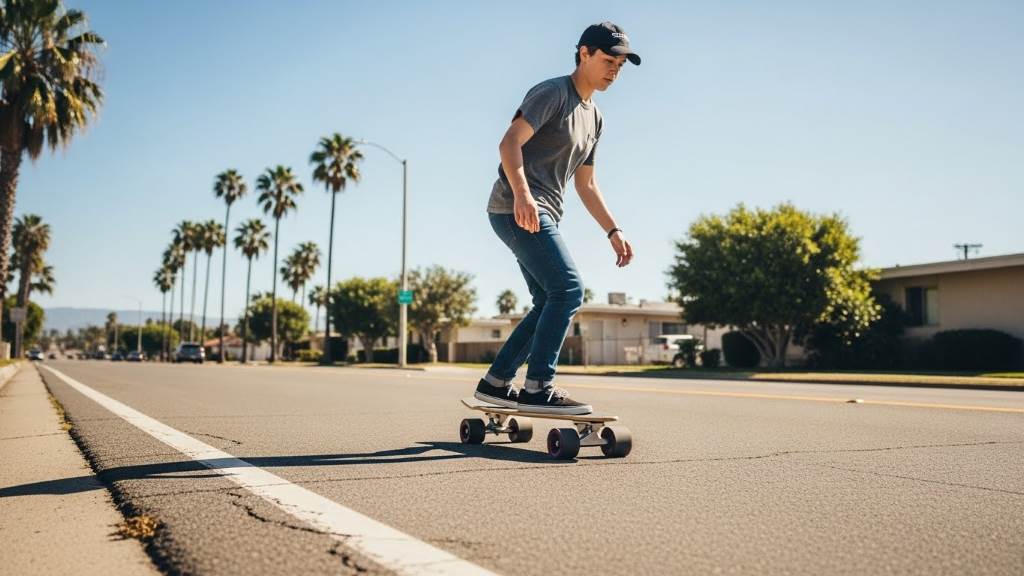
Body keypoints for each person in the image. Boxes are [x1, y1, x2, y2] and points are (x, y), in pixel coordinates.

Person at [474, 22, 639, 415]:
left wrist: (613, 230)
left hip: (542, 212)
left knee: (547, 299)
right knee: (568, 290)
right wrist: (523, 195)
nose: (614, 70)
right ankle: (538, 386)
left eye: (619, 64)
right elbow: (509, 142)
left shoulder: (595, 118)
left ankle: (496, 383)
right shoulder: (552, 92)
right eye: (607, 60)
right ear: (583, 53)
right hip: (514, 208)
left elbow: (587, 184)